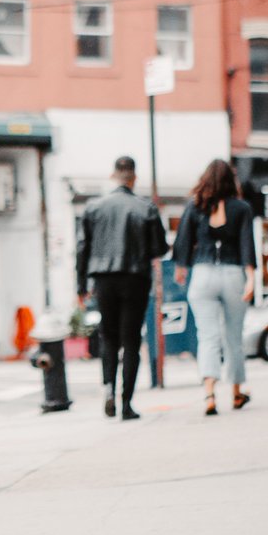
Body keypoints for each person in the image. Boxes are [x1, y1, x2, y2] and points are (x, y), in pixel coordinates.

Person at [76, 155, 168, 420]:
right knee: (130, 340)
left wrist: (81, 284)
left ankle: (108, 390)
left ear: (113, 176)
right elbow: (159, 248)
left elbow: (83, 248)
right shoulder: (146, 208)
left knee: (108, 338)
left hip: (103, 279)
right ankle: (126, 403)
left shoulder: (94, 208)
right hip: (135, 277)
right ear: (134, 178)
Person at [173, 159, 256, 417]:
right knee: (234, 337)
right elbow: (247, 245)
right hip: (233, 275)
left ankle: (209, 395)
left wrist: (181, 267)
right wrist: (251, 278)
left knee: (207, 336)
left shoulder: (196, 206)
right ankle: (236, 392)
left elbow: (183, 240)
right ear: (231, 181)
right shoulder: (241, 208)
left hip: (203, 274)